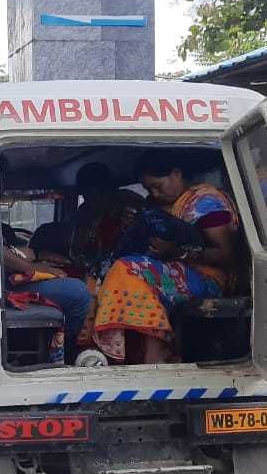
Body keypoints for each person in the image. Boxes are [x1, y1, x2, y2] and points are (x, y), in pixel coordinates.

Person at [93, 150, 240, 364]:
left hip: (209, 278)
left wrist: (176, 252)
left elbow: (227, 255)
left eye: (157, 186)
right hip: (171, 269)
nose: (154, 193)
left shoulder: (205, 203)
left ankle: (157, 350)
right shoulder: (154, 205)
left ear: (176, 174)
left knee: (129, 270)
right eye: (148, 189)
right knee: (104, 274)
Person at [1, 226, 91, 359]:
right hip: (4, 283)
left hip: (9, 274)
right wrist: (32, 267)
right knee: (78, 292)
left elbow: (8, 251)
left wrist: (39, 254)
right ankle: (67, 353)